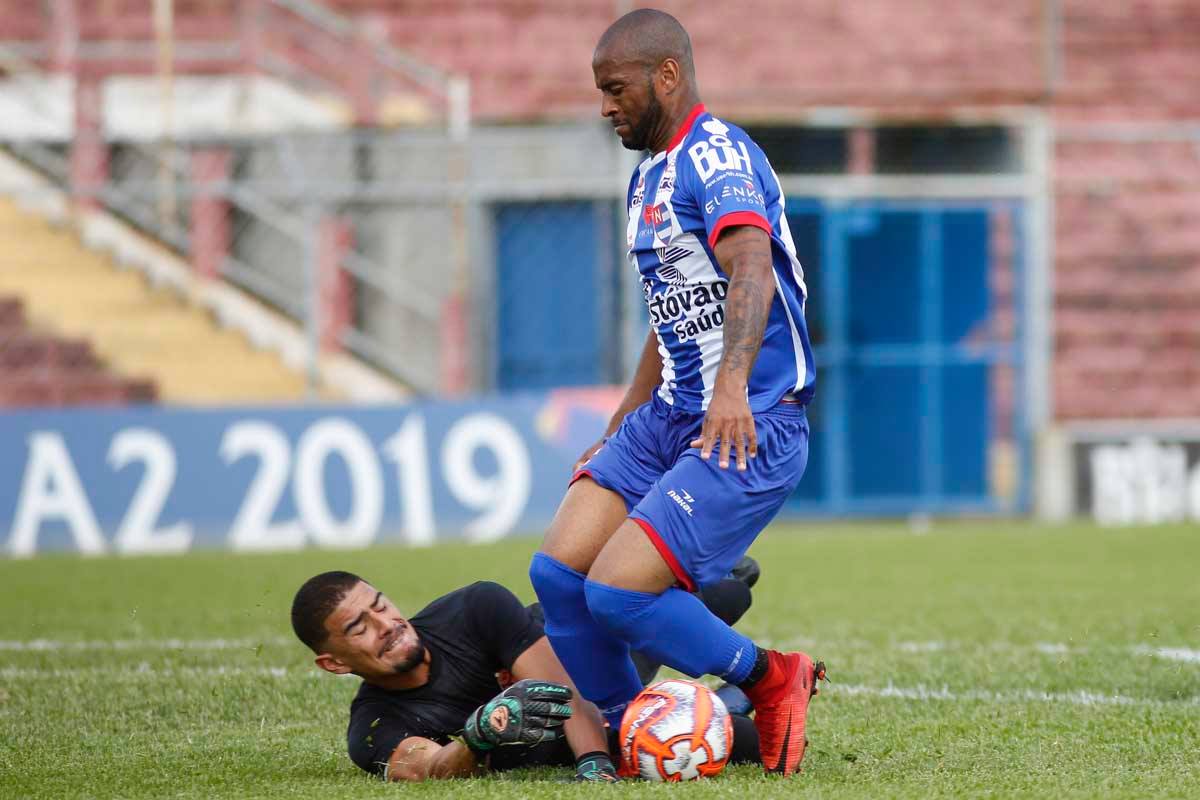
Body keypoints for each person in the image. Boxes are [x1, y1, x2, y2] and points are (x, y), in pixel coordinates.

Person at [527, 8, 827, 778]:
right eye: (599, 91)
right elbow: (672, 315)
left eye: (615, 87)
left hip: (749, 422)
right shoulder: (646, 178)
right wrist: (622, 419)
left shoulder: (716, 152)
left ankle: (769, 675)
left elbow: (751, 266)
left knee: (617, 596)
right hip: (668, 416)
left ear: (667, 75)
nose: (604, 106)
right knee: (558, 576)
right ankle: (635, 730)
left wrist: (730, 387)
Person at [289, 568, 761, 782]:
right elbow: (426, 766)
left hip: (573, 656)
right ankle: (729, 699)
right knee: (743, 743)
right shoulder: (374, 726)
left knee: (725, 597)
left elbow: (566, 690)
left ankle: (704, 579)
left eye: (381, 606)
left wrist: (593, 763)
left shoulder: (475, 607)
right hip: (571, 722)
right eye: (360, 628)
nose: (386, 625)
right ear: (335, 663)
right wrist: (479, 736)